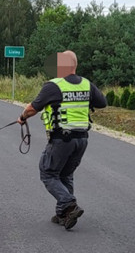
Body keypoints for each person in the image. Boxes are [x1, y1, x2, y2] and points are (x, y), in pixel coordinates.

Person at [18, 50, 106, 230]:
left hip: (62, 139)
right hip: (82, 140)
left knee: (48, 173)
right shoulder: (87, 84)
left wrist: (22, 117)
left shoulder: (53, 85)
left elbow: (33, 108)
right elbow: (102, 102)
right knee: (65, 174)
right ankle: (63, 214)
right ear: (75, 66)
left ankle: (69, 203)